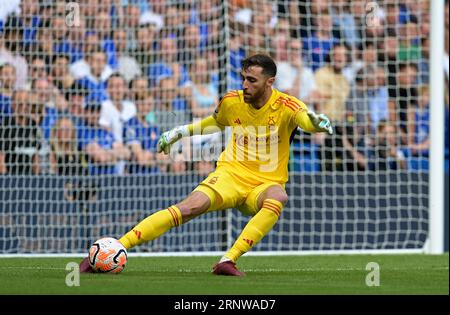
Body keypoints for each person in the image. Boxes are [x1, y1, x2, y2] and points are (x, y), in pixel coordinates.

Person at [79, 54, 333, 276]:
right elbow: (214, 123)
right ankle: (115, 247)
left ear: (270, 82)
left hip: (265, 182)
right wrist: (180, 132)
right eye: (243, 78)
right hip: (230, 175)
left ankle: (228, 260)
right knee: (189, 207)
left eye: (251, 80)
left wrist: (316, 124)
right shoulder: (232, 101)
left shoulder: (287, 105)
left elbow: (306, 120)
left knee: (278, 196)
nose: (245, 85)